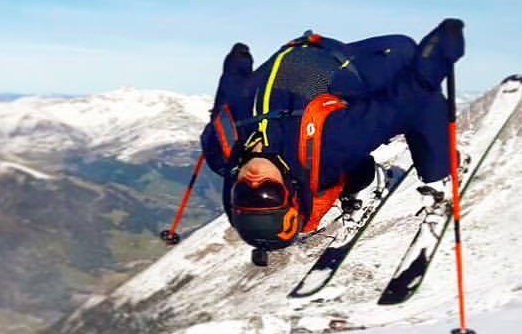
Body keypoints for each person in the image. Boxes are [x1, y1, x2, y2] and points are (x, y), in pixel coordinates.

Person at [199, 18, 465, 260]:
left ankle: (363, 180)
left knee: (340, 158)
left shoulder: (220, 150)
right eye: (269, 192)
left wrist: (235, 65)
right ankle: (439, 176)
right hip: (346, 63)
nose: (254, 180)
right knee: (407, 57)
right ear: (291, 190)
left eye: (245, 192)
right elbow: (402, 101)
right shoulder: (331, 142)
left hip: (298, 51)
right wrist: (436, 57)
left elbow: (227, 99)